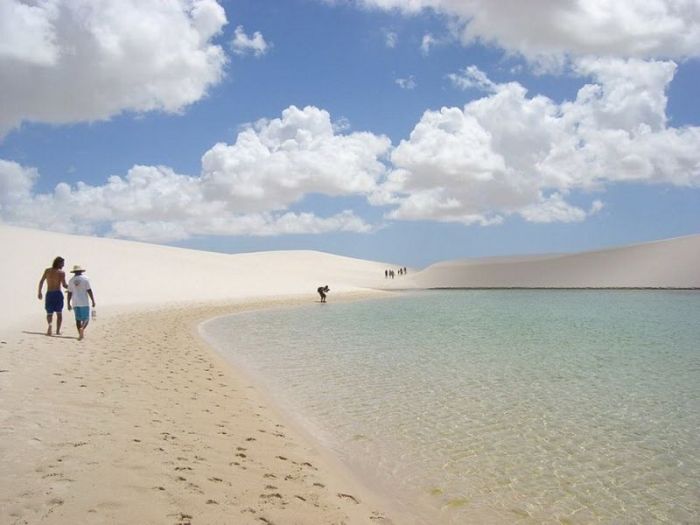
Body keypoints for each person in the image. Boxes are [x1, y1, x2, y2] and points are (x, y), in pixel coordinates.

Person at [37, 256, 68, 336]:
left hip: (49, 293)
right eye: (62, 263)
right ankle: (57, 331)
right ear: (58, 263)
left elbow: (41, 281)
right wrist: (72, 287)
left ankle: (50, 325)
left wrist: (39, 292)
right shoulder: (61, 273)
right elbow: (64, 285)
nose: (63, 265)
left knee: (49, 312)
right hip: (57, 293)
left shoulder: (47, 271)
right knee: (59, 313)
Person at [67, 265, 96, 341]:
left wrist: (68, 303)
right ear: (81, 271)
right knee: (86, 318)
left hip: (75, 302)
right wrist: (93, 300)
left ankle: (80, 334)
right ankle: (82, 328)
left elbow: (69, 293)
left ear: (74, 272)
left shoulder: (71, 280)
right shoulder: (86, 279)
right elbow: (89, 290)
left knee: (77, 319)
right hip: (84, 302)